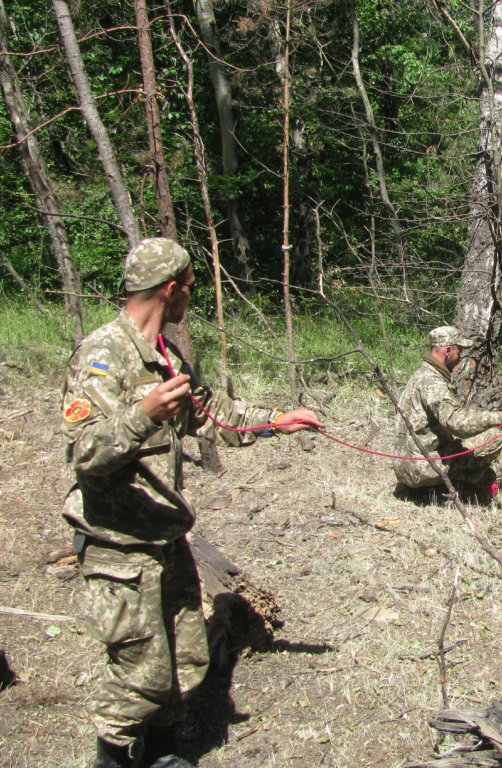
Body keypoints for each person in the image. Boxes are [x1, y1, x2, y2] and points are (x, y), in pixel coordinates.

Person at [60, 238, 322, 768]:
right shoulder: (101, 356)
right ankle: (113, 759)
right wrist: (145, 414)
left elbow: (213, 415)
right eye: (190, 288)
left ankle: (159, 755)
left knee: (181, 657)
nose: (191, 298)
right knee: (138, 674)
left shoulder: (165, 354)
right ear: (170, 288)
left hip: (164, 534)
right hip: (120, 545)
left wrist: (276, 420)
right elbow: (84, 452)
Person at [393, 326, 502, 501]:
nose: (460, 358)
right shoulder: (433, 382)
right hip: (420, 469)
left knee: (486, 472)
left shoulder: (421, 375)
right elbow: (455, 424)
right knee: (492, 437)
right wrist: (501, 416)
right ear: (448, 350)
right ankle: (444, 487)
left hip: (406, 465)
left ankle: (463, 483)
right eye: (460, 351)